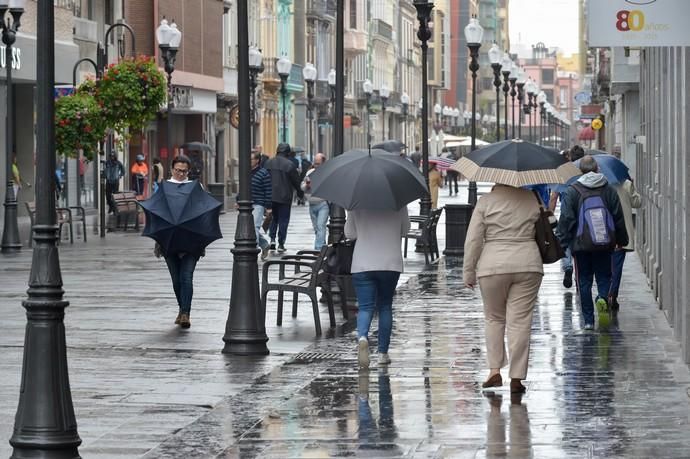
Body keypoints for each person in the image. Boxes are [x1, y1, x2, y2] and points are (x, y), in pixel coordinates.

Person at [463, 184, 544, 394]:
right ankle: (517, 376)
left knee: (494, 318)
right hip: (528, 263)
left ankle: (494, 371)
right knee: (520, 322)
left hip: (492, 266)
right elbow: (548, 225)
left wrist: (468, 271)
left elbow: (473, 240)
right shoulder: (532, 199)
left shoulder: (485, 202)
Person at [556, 155, 628, 330]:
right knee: (604, 277)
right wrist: (621, 240)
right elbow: (618, 216)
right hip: (604, 244)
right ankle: (602, 298)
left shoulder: (573, 190)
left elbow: (566, 218)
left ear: (580, 170)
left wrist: (562, 243)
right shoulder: (608, 189)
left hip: (581, 246)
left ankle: (588, 320)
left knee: (584, 281)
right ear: (597, 169)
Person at [345, 206, 410, 369]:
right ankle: (382, 354)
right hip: (390, 262)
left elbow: (350, 234)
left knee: (365, 307)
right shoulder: (398, 203)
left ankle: (362, 338)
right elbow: (405, 230)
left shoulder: (356, 203)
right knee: (385, 306)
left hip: (363, 262)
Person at [155, 155, 201, 329]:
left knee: (186, 277)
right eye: (178, 170)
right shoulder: (164, 187)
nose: (181, 173)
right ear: (172, 170)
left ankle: (185, 313)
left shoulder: (195, 188)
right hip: (169, 240)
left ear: (188, 171)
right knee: (176, 280)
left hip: (191, 241)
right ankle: (182, 308)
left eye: (184, 171)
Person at [548, 145, 585, 289]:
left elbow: (554, 196)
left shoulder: (564, 173)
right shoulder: (586, 173)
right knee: (581, 240)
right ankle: (580, 273)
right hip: (583, 211)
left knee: (564, 240)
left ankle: (568, 266)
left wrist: (549, 216)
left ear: (570, 157)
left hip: (566, 212)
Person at [264, 143, 304, 253]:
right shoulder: (289, 165)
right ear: (287, 152)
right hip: (285, 197)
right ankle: (281, 243)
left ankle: (272, 239)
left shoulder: (268, 163)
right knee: (283, 220)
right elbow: (296, 181)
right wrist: (300, 194)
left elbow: (264, 178)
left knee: (273, 218)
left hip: (270, 196)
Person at [609, 177, 642, 313]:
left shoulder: (603, 183)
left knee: (605, 267)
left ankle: (605, 293)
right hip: (622, 233)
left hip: (605, 233)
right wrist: (633, 186)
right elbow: (637, 202)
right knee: (616, 268)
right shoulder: (626, 184)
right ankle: (612, 295)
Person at [301, 153, 329, 249]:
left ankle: (318, 249)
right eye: (315, 163)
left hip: (322, 204)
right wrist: (307, 186)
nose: (316, 166)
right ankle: (323, 245)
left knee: (321, 226)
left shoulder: (327, 173)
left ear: (323, 163)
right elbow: (302, 186)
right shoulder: (310, 173)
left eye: (318, 164)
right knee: (317, 229)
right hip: (311, 204)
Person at [250, 151, 272, 260]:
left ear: (257, 160)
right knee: (250, 228)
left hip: (258, 204)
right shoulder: (245, 172)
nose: (249, 162)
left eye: (251, 159)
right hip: (247, 205)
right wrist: (238, 199)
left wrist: (268, 207)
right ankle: (264, 245)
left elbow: (268, 190)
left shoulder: (264, 173)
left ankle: (253, 254)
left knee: (254, 227)